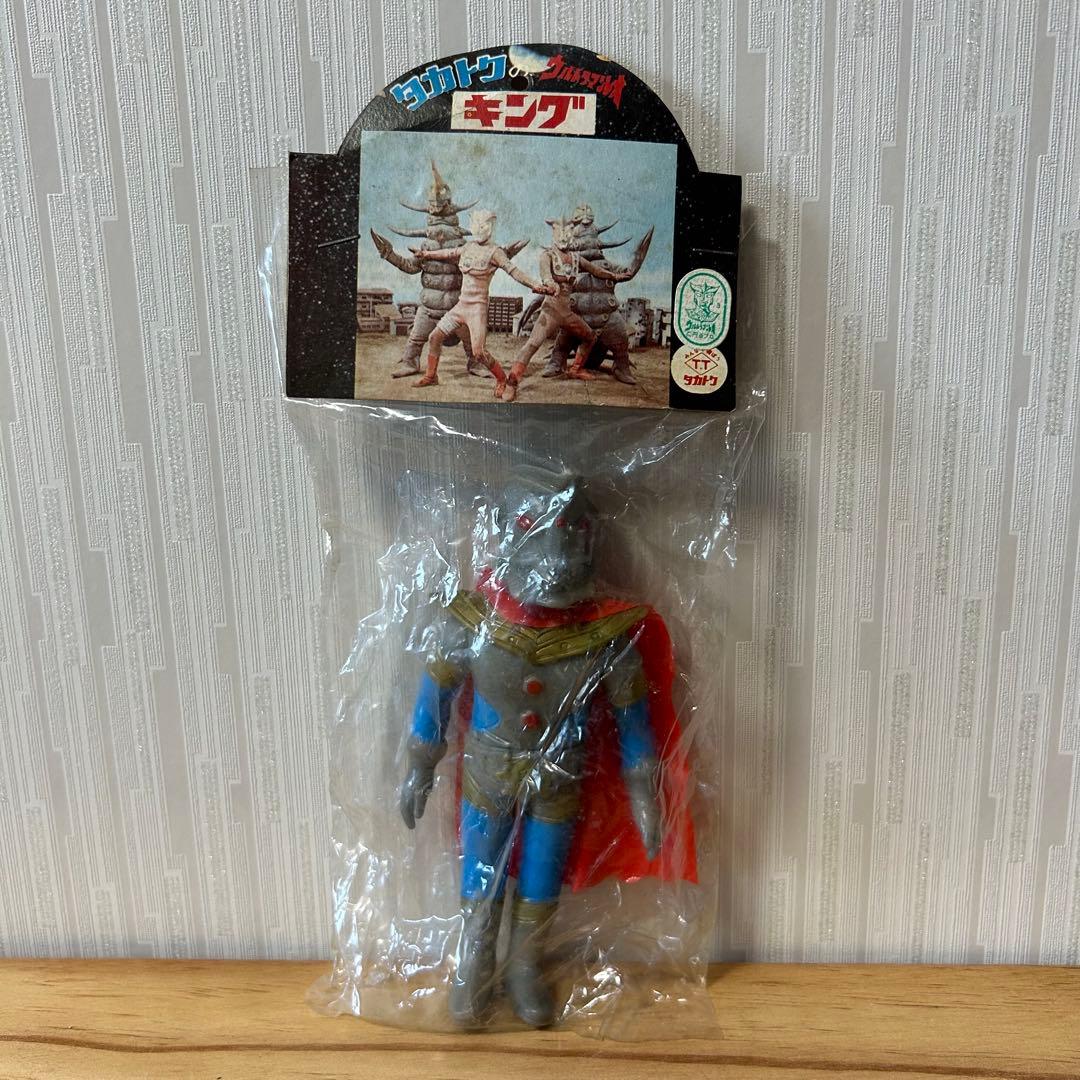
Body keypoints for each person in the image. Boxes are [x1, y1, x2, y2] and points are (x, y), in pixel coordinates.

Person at [411, 209, 553, 392]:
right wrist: (425, 254)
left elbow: (514, 271)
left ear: (491, 227)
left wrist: (535, 285)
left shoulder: (495, 252)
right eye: (476, 224)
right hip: (461, 306)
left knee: (478, 353)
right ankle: (431, 376)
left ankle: (502, 380)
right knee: (434, 337)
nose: (479, 228)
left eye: (483, 225)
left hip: (477, 310)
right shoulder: (468, 247)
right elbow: (448, 253)